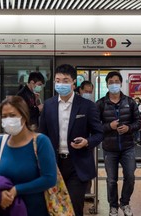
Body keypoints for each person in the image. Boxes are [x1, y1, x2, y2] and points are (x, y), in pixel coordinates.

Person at [39, 64, 103, 216]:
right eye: (57, 80)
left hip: (77, 164)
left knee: (74, 207)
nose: (61, 84)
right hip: (54, 164)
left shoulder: (87, 106)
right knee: (53, 207)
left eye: (65, 80)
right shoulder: (49, 105)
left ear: (74, 83)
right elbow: (42, 134)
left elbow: (99, 133)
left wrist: (87, 142)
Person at [0, 96, 57, 215]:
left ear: (24, 116)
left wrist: (16, 190)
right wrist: (0, 193)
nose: (8, 120)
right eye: (4, 116)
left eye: (12, 115)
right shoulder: (2, 142)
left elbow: (49, 178)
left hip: (34, 210)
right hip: (6, 209)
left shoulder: (41, 142)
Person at [96, 71, 141, 216]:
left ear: (121, 83)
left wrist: (129, 128)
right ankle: (113, 206)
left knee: (130, 176)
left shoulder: (130, 102)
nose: (114, 84)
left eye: (116, 81)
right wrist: (110, 126)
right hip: (110, 148)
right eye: (111, 82)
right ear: (107, 84)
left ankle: (125, 203)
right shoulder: (101, 104)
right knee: (111, 180)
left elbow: (139, 122)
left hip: (127, 147)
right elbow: (96, 127)